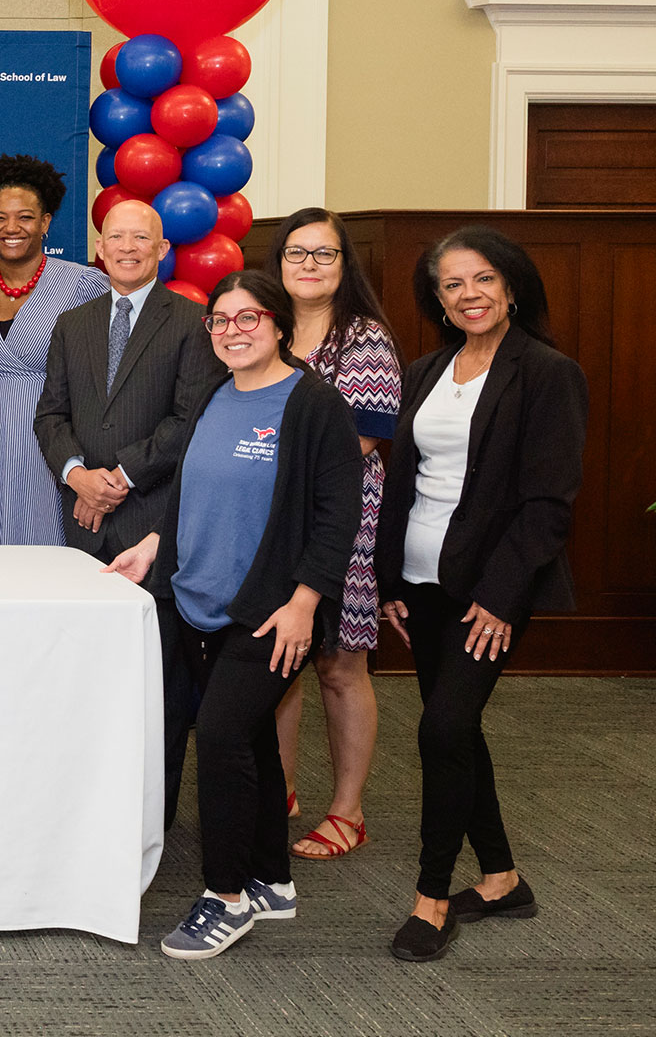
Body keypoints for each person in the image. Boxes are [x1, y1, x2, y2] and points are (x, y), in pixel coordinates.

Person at [105, 271, 363, 961]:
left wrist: (305, 602)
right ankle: (272, 880)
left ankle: (226, 897)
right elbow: (193, 490)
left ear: (279, 324)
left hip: (272, 611)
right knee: (249, 739)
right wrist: (153, 545)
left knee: (219, 736)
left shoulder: (313, 404)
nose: (233, 331)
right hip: (198, 599)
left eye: (249, 318)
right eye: (220, 320)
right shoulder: (215, 394)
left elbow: (338, 515)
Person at [376, 227, 587, 963]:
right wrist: (389, 581)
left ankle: (432, 899)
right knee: (455, 730)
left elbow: (548, 504)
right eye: (453, 284)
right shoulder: (426, 370)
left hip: (489, 589)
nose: (470, 294)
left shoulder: (549, 373)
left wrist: (501, 598)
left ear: (512, 286)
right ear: (438, 300)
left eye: (484, 278)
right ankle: (501, 879)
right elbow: (402, 481)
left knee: (441, 730)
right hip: (421, 582)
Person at [34, 198, 220, 825]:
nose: (128, 248)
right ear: (100, 247)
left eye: (142, 238)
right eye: (117, 237)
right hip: (83, 528)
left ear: (163, 250)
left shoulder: (192, 323)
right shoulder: (71, 324)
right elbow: (50, 415)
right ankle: (89, 813)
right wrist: (78, 476)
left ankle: (150, 823)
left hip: (153, 526)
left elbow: (189, 419)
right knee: (88, 680)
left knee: (158, 685)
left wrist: (120, 476)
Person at [266, 207, 402, 861]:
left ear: (345, 264)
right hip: (269, 517)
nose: (310, 265)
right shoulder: (263, 324)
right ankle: (281, 790)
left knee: (340, 664)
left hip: (341, 515)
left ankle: (348, 813)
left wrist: (278, 465)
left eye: (324, 253)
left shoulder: (364, 338)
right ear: (279, 262)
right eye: (297, 252)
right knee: (279, 658)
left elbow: (366, 436)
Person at [0, 155, 109, 545]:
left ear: (45, 223)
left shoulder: (83, 285)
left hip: (54, 448)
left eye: (25, 217)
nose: (11, 228)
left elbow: (104, 383)